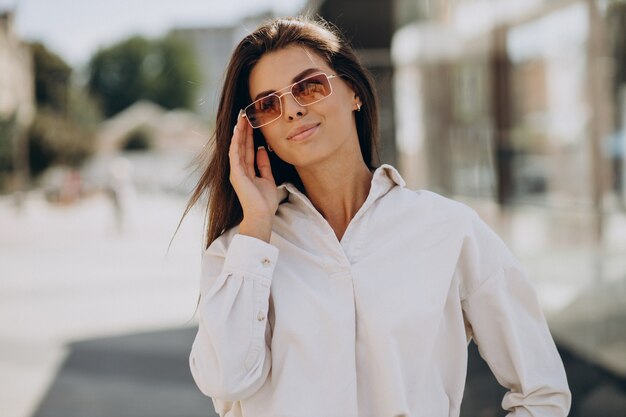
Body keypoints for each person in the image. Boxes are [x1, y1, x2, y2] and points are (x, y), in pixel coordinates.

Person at [185, 16, 571, 417]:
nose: (293, 110)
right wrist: (256, 229)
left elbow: (542, 392)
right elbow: (225, 381)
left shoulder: (449, 229)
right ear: (258, 129)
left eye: (310, 86)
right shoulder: (238, 253)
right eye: (268, 104)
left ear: (353, 91)